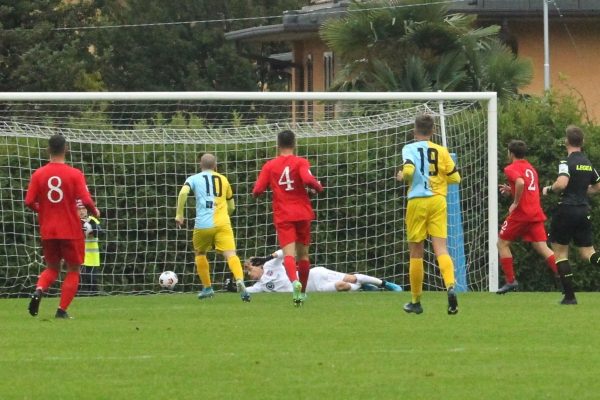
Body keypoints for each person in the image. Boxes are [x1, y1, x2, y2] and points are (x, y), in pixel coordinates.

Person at [25, 134, 99, 319]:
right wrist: (94, 211)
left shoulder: (38, 174)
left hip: (48, 229)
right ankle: (62, 310)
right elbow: (86, 199)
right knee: (73, 269)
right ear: (66, 149)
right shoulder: (74, 174)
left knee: (52, 267)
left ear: (48, 150)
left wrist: (41, 210)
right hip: (71, 229)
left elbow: (28, 201)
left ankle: (39, 290)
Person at [396, 114, 461, 315]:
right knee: (441, 248)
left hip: (417, 200)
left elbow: (408, 171)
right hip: (438, 201)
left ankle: (416, 301)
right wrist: (439, 180)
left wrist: (401, 176)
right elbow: (456, 178)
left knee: (416, 252)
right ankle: (450, 286)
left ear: (415, 131)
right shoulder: (441, 151)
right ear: (433, 132)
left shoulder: (409, 148)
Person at [252, 130, 323, 306]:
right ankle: (303, 292)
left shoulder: (270, 165)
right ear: (294, 143)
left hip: (283, 214)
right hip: (302, 213)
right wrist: (318, 187)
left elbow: (257, 190)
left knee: (289, 254)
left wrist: (267, 189)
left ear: (278, 144)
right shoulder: (300, 162)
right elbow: (307, 179)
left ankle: (294, 283)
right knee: (304, 255)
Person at [175, 153, 250, 302]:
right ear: (216, 166)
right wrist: (224, 216)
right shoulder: (224, 179)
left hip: (203, 224)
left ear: (200, 165)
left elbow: (183, 192)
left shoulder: (193, 178)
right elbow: (232, 207)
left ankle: (208, 288)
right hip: (223, 223)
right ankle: (240, 279)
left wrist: (179, 214)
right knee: (231, 254)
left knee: (200, 253)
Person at [542, 125, 600, 305]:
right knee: (588, 252)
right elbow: (598, 187)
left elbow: (562, 183)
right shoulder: (587, 162)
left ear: (567, 141)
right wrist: (583, 191)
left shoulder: (566, 162)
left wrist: (549, 189)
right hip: (583, 210)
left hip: (566, 209)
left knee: (560, 253)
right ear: (582, 142)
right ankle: (569, 296)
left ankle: (569, 297)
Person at [496, 140, 558, 294]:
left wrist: (515, 203)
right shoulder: (531, 168)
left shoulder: (510, 168)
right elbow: (528, 189)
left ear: (510, 153)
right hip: (535, 213)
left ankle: (510, 281)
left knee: (502, 243)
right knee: (542, 247)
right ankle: (564, 276)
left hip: (521, 214)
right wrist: (510, 190)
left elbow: (520, 182)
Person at [244, 250, 403, 293]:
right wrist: (234, 287)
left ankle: (386, 284)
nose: (250, 275)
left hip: (315, 275)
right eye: (248, 273)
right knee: (344, 286)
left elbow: (286, 250)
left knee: (352, 278)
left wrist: (265, 258)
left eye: (250, 269)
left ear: (258, 266)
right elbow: (245, 291)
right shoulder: (260, 287)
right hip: (312, 289)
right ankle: (363, 287)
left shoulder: (271, 265)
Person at [78, 201, 102, 295]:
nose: (81, 211)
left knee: (92, 280)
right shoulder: (74, 221)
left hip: (92, 257)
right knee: (78, 281)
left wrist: (92, 229)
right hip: (78, 256)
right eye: (79, 209)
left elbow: (100, 233)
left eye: (83, 209)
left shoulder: (92, 220)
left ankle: (95, 298)